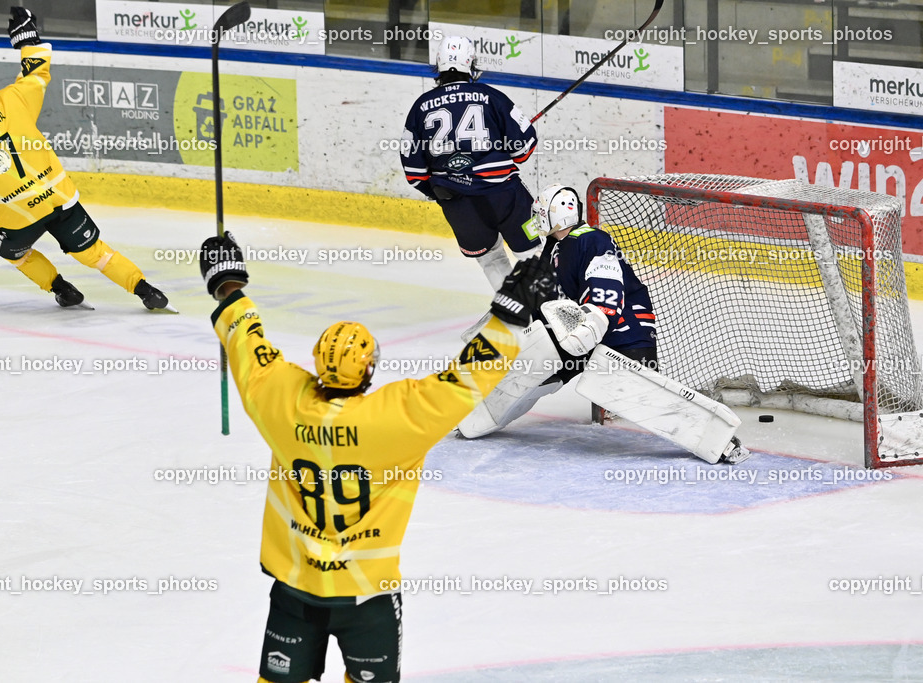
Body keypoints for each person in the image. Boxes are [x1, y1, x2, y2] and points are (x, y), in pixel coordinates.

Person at [199, 232, 556, 683]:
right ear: (369, 370)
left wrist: (227, 282)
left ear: (317, 360)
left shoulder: (280, 401)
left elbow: (248, 348)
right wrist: (510, 316)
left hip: (296, 588)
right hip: (367, 596)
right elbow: (466, 379)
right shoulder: (397, 419)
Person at [0, 7, 173, 312]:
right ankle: (146, 290)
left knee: (11, 252)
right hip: (59, 199)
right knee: (95, 252)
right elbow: (37, 72)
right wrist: (28, 39)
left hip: (19, 218)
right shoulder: (11, 100)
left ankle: (61, 288)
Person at [457, 184, 749, 464]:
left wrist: (594, 322)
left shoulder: (592, 239)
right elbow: (544, 299)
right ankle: (480, 416)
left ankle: (721, 441)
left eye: (541, 211)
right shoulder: (554, 248)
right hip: (578, 335)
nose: (535, 218)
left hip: (624, 332)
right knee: (536, 368)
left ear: (557, 212)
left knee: (633, 393)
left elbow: (606, 289)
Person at [400, 35, 540, 291]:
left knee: (491, 259)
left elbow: (414, 173)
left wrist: (443, 190)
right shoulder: (492, 97)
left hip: (458, 203)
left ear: (439, 65)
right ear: (471, 63)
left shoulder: (420, 107)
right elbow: (523, 150)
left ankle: (519, 311)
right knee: (533, 255)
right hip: (505, 196)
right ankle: (555, 309)